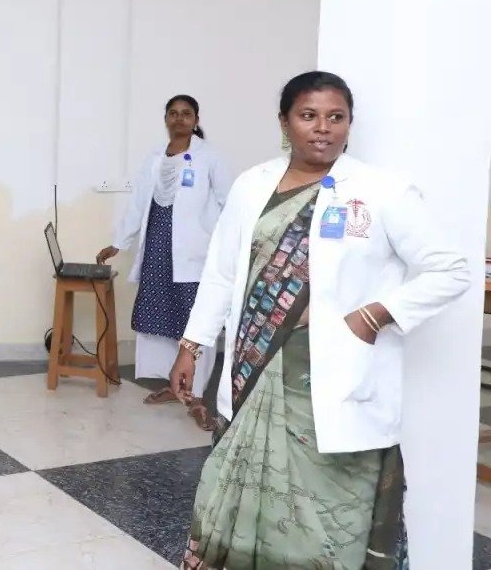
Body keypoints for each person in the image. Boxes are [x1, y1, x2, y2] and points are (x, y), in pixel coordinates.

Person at [172, 71, 470, 569]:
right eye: (308, 116)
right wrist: (192, 344)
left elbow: (450, 269)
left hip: (333, 375)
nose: (323, 128)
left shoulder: (380, 190)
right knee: (237, 486)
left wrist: (375, 315)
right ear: (285, 122)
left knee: (329, 513)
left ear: (350, 123)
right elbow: (222, 273)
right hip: (254, 368)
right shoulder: (252, 185)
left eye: (336, 117)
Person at [98, 95, 232, 430]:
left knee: (193, 317)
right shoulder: (156, 156)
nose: (179, 119)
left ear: (196, 119)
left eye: (186, 114)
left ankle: (197, 395)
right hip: (158, 247)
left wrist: (227, 246)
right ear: (166, 119)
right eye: (173, 113)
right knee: (163, 313)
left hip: (195, 252)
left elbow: (229, 202)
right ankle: (174, 385)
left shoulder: (209, 156)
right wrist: (119, 242)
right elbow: (138, 202)